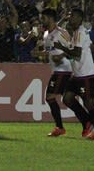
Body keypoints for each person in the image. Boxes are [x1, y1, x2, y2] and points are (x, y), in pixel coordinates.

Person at [54, 8, 94, 140]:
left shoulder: (80, 33)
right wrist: (63, 19)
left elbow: (76, 54)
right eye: (69, 16)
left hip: (86, 74)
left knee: (88, 103)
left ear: (79, 19)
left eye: (72, 16)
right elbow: (55, 30)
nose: (70, 18)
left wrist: (62, 48)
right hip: (77, 75)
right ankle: (87, 123)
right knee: (67, 98)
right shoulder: (75, 33)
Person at [36, 8, 72, 137]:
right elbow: (49, 52)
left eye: (44, 18)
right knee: (68, 100)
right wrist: (39, 53)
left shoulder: (62, 32)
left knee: (50, 97)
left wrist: (61, 56)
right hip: (57, 70)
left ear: (50, 18)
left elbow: (73, 47)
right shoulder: (46, 35)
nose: (42, 21)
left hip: (63, 69)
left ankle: (60, 127)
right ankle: (87, 122)